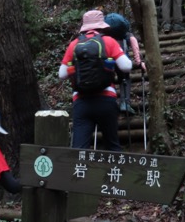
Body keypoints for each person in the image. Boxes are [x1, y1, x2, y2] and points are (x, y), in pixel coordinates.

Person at [59, 9, 133, 151]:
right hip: (106, 100)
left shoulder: (74, 44)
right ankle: (115, 172)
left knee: (79, 149)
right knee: (112, 145)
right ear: (102, 26)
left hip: (81, 102)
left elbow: (61, 74)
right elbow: (126, 67)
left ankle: (80, 172)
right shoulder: (108, 41)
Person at [103, 13, 146, 114]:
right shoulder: (127, 35)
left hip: (107, 62)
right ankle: (125, 103)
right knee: (125, 79)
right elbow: (135, 48)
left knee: (109, 80)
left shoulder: (104, 37)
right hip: (122, 61)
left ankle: (109, 104)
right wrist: (139, 63)